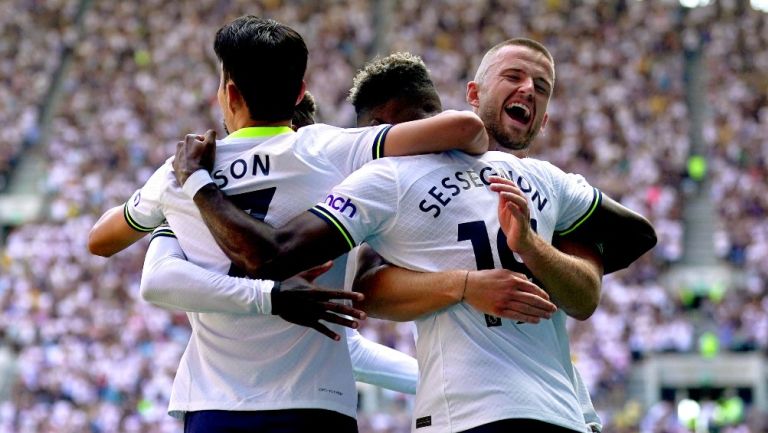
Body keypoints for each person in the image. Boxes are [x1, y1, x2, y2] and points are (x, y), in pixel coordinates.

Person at [174, 38, 656, 433]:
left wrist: (197, 181)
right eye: (514, 77)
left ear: (375, 133)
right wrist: (530, 260)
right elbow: (636, 236)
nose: (528, 90)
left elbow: (279, 258)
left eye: (540, 86)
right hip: (563, 411)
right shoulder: (537, 176)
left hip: (466, 414)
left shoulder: (385, 179)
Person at [88, 15, 496, 433]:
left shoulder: (179, 173)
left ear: (228, 94)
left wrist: (169, 204)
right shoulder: (330, 148)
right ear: (300, 91)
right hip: (317, 405)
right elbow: (464, 127)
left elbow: (100, 240)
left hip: (215, 406)